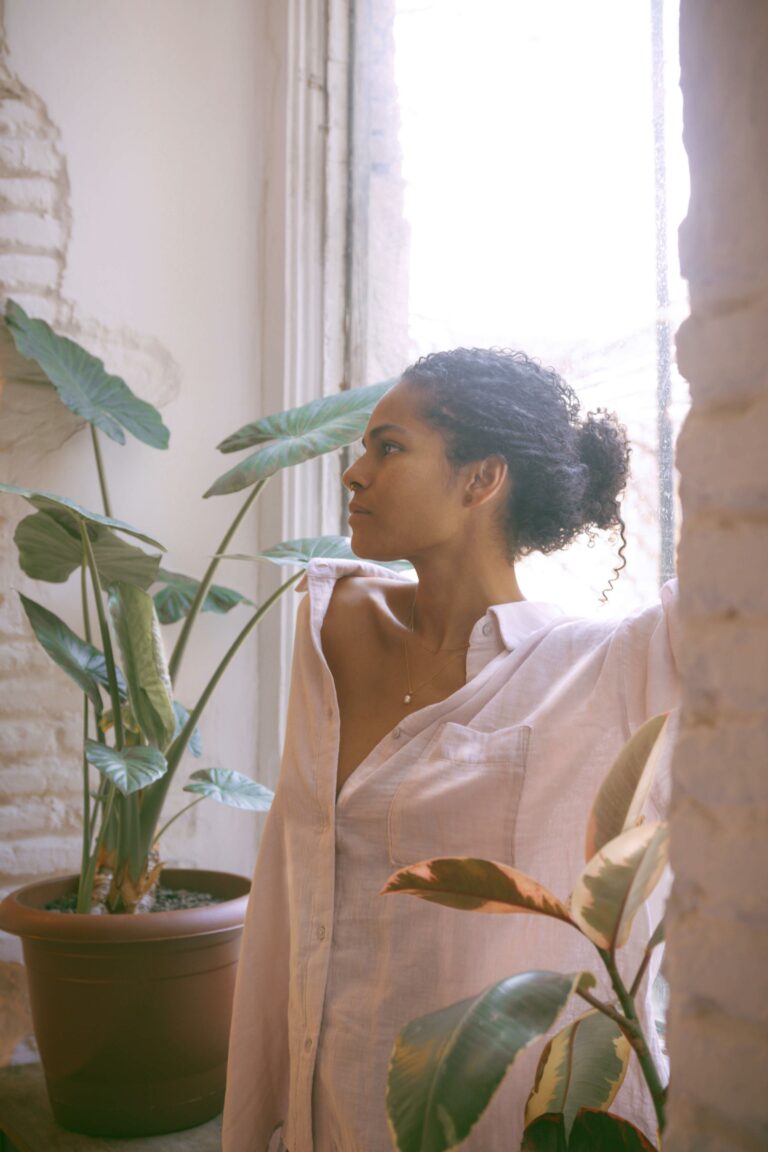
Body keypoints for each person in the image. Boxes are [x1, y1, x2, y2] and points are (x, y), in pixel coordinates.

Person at [222, 348, 679, 1152]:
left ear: (480, 480)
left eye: (388, 448)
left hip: (486, 1122)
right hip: (325, 1104)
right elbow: (293, 892)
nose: (354, 473)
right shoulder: (330, 623)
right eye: (361, 449)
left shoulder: (600, 672)